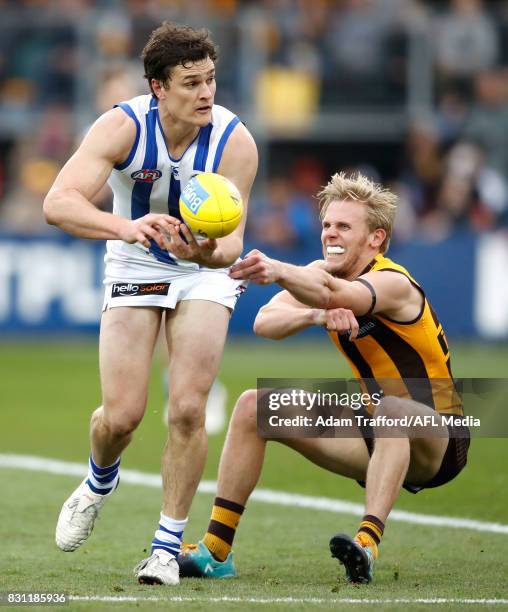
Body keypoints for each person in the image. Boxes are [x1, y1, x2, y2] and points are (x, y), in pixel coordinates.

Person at [43, 22, 257, 586]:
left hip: (202, 272)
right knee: (122, 416)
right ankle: (99, 479)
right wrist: (128, 226)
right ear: (158, 87)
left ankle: (166, 547)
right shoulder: (122, 126)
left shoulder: (235, 141)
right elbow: (58, 203)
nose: (206, 93)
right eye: (191, 83)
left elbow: (233, 246)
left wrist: (205, 252)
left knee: (188, 407)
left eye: (211, 79)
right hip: (134, 257)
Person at [177, 172, 469, 584]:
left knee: (392, 409)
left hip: (440, 438)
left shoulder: (395, 283)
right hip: (376, 429)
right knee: (251, 408)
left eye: (344, 226)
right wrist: (313, 316)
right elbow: (265, 321)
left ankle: (366, 545)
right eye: (327, 225)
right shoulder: (319, 272)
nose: (331, 234)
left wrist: (279, 269)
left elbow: (339, 295)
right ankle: (216, 551)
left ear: (376, 239)